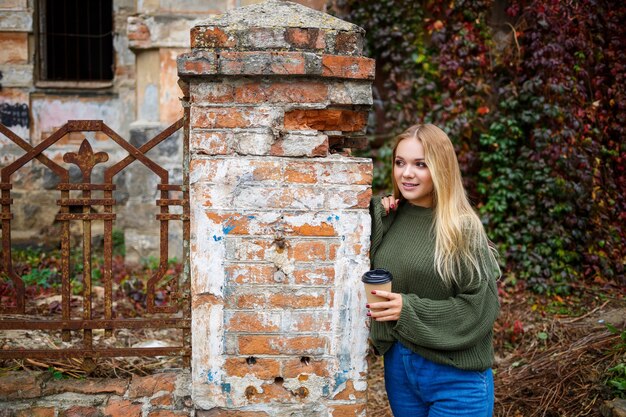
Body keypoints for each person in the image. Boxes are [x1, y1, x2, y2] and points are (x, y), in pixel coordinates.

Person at [367, 123, 501, 417]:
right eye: (400, 162)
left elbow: (481, 307)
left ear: (441, 168)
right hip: (400, 372)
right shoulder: (393, 217)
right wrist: (376, 217)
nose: (407, 173)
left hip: (456, 378)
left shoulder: (461, 228)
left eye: (420, 165)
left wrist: (409, 309)